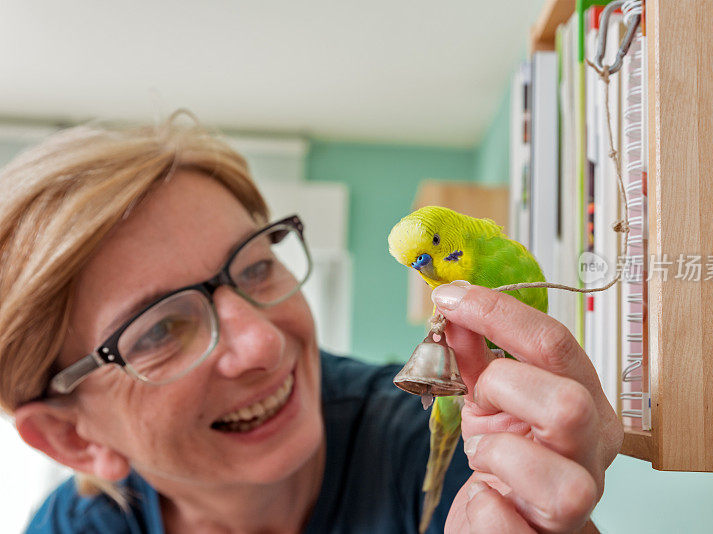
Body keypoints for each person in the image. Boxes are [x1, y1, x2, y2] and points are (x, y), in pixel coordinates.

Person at [0, 113, 623, 533]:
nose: (264, 342)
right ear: (71, 440)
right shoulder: (70, 525)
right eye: (160, 330)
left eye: (255, 267)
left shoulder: (447, 449)